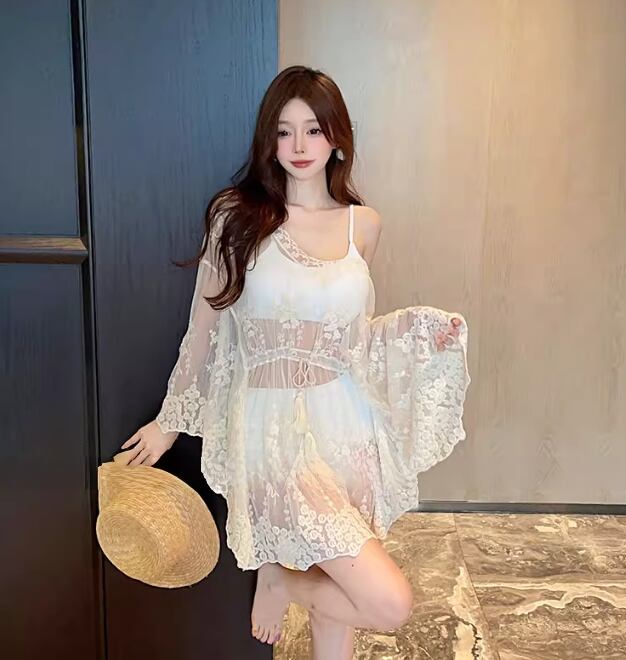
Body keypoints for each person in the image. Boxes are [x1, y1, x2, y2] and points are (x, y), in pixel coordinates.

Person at [120, 65, 471, 658]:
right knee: (389, 602)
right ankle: (281, 580)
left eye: (313, 129)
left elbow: (348, 341)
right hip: (273, 434)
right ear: (269, 140)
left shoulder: (364, 225)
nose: (300, 145)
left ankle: (288, 584)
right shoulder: (236, 218)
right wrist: (169, 421)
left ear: (337, 138)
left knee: (341, 610)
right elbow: (203, 332)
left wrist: (419, 333)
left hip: (346, 425)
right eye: (285, 131)